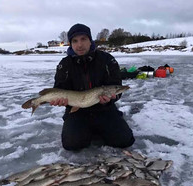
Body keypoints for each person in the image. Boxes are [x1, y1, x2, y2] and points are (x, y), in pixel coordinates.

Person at [51, 23, 135, 151]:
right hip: (77, 111)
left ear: (90, 40)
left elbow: (116, 88)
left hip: (104, 109)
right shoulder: (65, 64)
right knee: (72, 144)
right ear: (71, 44)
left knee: (125, 140)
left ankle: (102, 127)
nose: (79, 45)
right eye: (75, 41)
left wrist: (111, 99)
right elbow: (59, 88)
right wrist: (61, 101)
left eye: (83, 39)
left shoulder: (107, 60)